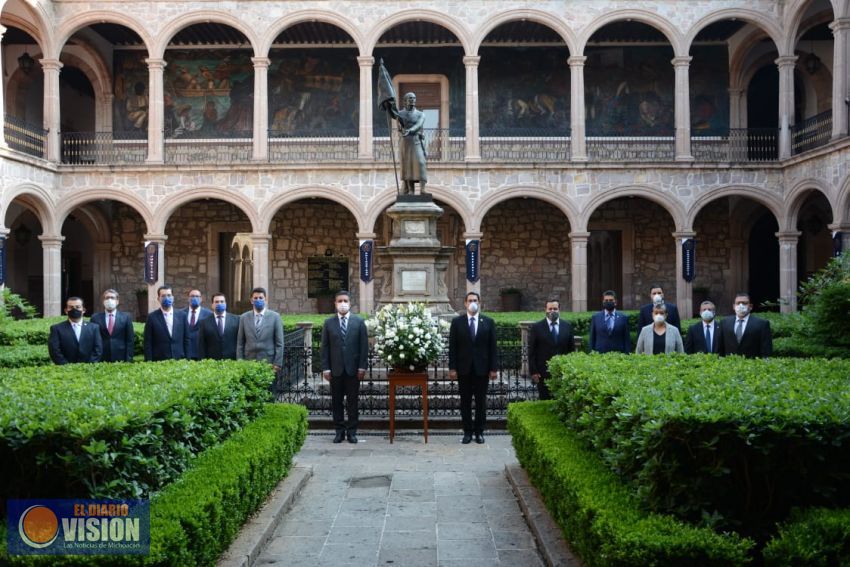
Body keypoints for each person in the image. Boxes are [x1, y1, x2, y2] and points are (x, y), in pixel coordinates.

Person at [449, 292, 498, 445]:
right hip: (463, 369)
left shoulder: (488, 322)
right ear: (465, 303)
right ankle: (467, 432)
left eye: (475, 300)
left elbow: (492, 348)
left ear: (479, 302)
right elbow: (453, 348)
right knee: (465, 402)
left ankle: (479, 432)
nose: (472, 303)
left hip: (482, 369)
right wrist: (452, 368)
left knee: (481, 402)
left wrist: (493, 368)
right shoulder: (457, 322)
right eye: (470, 300)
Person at [320, 291, 369, 444]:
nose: (343, 303)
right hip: (335, 370)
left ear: (350, 302)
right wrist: (325, 368)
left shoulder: (359, 322)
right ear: (335, 303)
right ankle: (339, 431)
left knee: (352, 402)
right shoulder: (329, 323)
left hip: (353, 370)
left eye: (345, 300)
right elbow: (325, 347)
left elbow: (364, 347)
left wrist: (362, 367)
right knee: (336, 402)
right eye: (339, 301)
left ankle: (352, 432)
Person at [527, 298, 575, 400]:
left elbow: (571, 350)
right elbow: (532, 351)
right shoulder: (537, 327)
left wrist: (571, 370)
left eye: (555, 308)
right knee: (545, 401)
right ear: (545, 310)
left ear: (559, 310)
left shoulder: (567, 326)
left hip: (563, 372)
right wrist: (534, 371)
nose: (552, 311)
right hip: (543, 373)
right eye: (550, 309)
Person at [384, 92, 427, 195]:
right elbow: (393, 114)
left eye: (414, 98)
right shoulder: (401, 114)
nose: (412, 100)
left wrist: (410, 130)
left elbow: (419, 125)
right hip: (405, 142)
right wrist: (388, 105)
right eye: (410, 98)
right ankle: (410, 190)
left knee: (421, 163)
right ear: (405, 101)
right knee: (407, 166)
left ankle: (422, 189)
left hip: (416, 140)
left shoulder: (421, 114)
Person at [237, 287, 284, 374]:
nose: (258, 300)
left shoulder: (275, 317)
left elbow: (279, 343)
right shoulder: (243, 317)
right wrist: (240, 362)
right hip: (248, 363)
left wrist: (277, 363)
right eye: (255, 298)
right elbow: (240, 342)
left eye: (261, 298)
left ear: (265, 300)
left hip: (269, 363)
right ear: (251, 300)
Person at [48, 297, 103, 365]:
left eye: (78, 307)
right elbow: (54, 351)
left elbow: (98, 349)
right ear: (66, 310)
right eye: (71, 307)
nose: (74, 309)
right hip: (65, 371)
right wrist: (66, 366)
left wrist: (89, 366)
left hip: (89, 369)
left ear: (83, 310)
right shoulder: (56, 329)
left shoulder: (94, 328)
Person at [718, 293, 773, 358]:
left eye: (744, 303)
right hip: (729, 365)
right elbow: (720, 349)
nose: (741, 305)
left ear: (750, 306)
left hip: (753, 365)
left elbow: (766, 351)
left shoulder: (762, 324)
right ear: (734, 306)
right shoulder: (724, 323)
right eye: (738, 303)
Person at [143, 285, 190, 361]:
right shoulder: (152, 317)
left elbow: (187, 339)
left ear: (173, 297)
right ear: (158, 299)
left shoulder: (182, 316)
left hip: (179, 359)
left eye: (169, 295)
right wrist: (149, 361)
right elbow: (147, 342)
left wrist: (187, 359)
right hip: (159, 360)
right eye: (163, 296)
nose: (166, 298)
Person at [91, 289, 135, 362]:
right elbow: (92, 340)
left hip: (121, 357)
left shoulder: (126, 317)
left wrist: (129, 359)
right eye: (107, 298)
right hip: (101, 358)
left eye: (112, 298)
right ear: (103, 301)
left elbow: (130, 340)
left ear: (117, 301)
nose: (109, 300)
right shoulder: (95, 318)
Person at [197, 292, 239, 360]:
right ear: (212, 305)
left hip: (232, 361)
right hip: (212, 362)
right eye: (216, 302)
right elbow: (201, 345)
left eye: (222, 301)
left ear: (225, 304)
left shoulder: (236, 320)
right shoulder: (204, 322)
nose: (219, 304)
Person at [178, 289, 213, 360]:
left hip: (201, 353)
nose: (194, 298)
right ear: (188, 298)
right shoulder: (180, 313)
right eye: (192, 296)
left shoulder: (209, 314)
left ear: (201, 299)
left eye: (197, 296)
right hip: (184, 353)